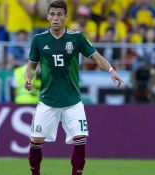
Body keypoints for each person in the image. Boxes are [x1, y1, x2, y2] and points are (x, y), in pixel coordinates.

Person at [24, 1, 123, 175]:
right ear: (47, 16)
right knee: (35, 141)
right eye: (52, 14)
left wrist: (111, 70)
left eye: (59, 14)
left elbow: (96, 57)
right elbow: (31, 66)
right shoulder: (39, 40)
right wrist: (28, 78)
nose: (55, 18)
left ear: (65, 17)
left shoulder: (76, 38)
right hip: (48, 101)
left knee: (80, 139)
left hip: (72, 101)